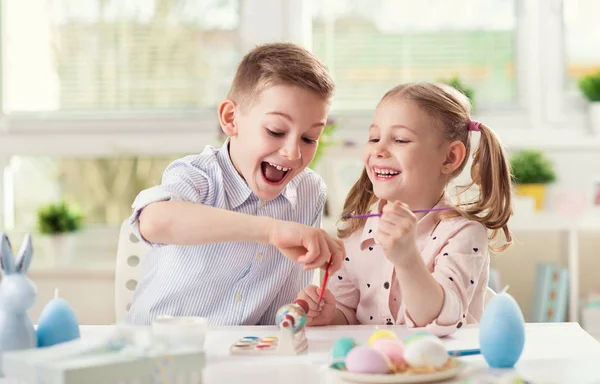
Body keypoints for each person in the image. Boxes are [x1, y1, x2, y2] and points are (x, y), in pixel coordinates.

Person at [125, 42, 345, 326]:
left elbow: (278, 314)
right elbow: (154, 222)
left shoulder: (309, 191)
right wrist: (272, 230)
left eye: (309, 138)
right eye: (276, 131)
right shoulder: (197, 175)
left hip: (242, 356)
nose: (293, 152)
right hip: (157, 351)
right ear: (231, 119)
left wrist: (305, 309)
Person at [297, 82, 513, 336]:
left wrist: (407, 259)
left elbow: (442, 320)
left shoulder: (462, 233)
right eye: (374, 137)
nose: (378, 149)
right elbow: (348, 314)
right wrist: (328, 314)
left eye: (400, 139)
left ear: (450, 157)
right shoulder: (357, 231)